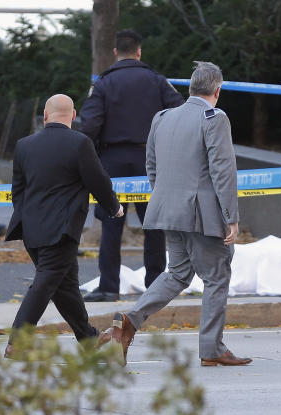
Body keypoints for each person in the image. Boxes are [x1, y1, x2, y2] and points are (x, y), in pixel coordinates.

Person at [96, 62, 251, 367]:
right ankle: (212, 348)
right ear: (217, 90)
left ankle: (125, 324)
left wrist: (168, 196)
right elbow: (223, 171)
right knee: (217, 277)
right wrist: (231, 216)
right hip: (201, 215)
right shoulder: (214, 117)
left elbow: (151, 164)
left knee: (177, 274)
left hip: (167, 209)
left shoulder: (163, 117)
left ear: (191, 88)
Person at [3, 94, 124, 358]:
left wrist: (29, 221)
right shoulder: (79, 143)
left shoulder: (24, 145)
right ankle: (17, 341)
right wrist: (114, 207)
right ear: (73, 115)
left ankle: (89, 338)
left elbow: (18, 192)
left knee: (65, 286)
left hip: (32, 232)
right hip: (63, 231)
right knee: (45, 284)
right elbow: (98, 181)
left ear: (45, 116)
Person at [79, 29, 184, 303]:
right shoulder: (157, 81)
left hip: (112, 163)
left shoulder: (103, 84)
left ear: (116, 52)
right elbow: (181, 112)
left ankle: (109, 287)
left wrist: (85, 159)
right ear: (139, 51)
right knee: (154, 227)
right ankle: (156, 287)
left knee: (112, 227)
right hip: (150, 161)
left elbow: (89, 125)